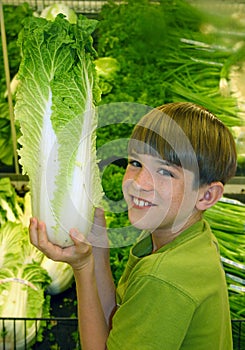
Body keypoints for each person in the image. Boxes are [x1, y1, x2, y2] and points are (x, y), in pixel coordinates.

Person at [29, 102, 236, 350]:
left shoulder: (164, 276)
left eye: (165, 172)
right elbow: (115, 320)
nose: (138, 183)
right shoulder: (186, 239)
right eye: (135, 163)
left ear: (207, 196)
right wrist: (96, 249)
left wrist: (82, 268)